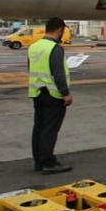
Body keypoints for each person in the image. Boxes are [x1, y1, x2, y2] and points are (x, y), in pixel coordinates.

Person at [28, 17, 74, 174]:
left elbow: (31, 69)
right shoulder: (54, 48)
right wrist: (66, 94)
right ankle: (48, 162)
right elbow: (58, 74)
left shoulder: (33, 47)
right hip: (53, 95)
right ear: (59, 30)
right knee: (50, 129)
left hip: (37, 92)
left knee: (39, 127)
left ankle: (38, 161)